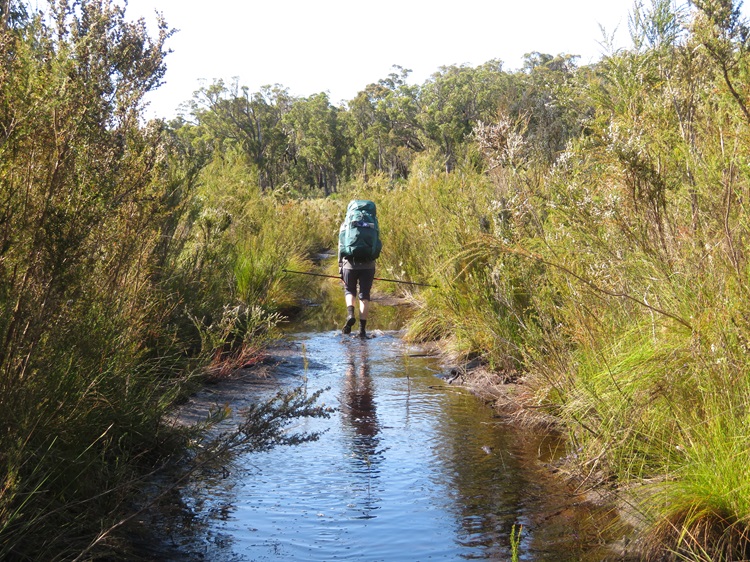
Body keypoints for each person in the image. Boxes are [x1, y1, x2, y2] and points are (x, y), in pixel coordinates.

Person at [338, 201, 379, 338]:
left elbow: (341, 247)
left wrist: (340, 269)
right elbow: (377, 244)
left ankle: (350, 314)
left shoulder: (346, 224)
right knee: (364, 295)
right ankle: (362, 331)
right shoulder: (373, 222)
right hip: (368, 264)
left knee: (349, 290)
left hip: (350, 264)